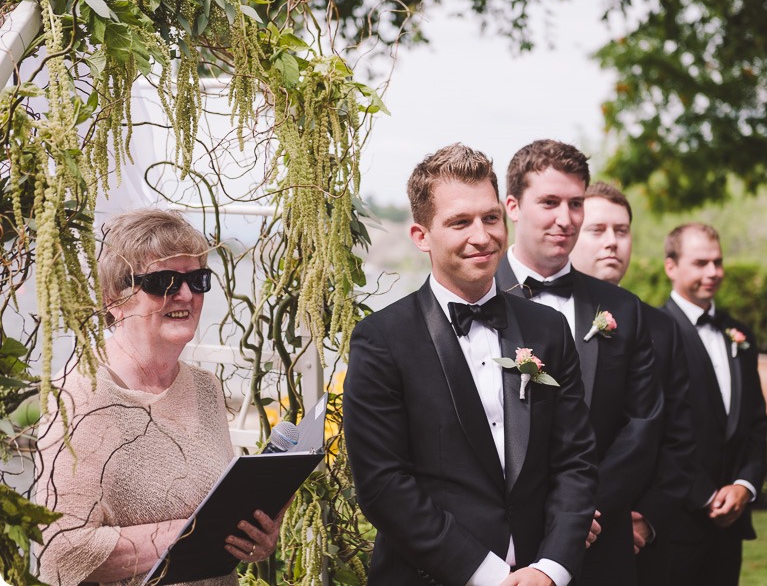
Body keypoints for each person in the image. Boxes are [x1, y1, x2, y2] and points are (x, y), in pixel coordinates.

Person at [343, 143, 597, 586]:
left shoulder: (549, 329)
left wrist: (551, 568)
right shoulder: (381, 340)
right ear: (421, 236)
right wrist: (488, 574)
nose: (482, 236)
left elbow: (574, 459)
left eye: (491, 217)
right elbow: (384, 484)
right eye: (460, 222)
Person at [35, 209, 284, 585]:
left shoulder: (205, 387)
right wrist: (194, 532)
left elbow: (215, 509)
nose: (185, 294)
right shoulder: (77, 397)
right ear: (114, 300)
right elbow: (60, 551)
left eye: (197, 279)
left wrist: (250, 536)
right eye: (163, 281)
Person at [494, 140, 662, 586]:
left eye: (575, 203)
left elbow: (642, 424)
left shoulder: (623, 309)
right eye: (549, 202)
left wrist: (581, 512)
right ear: (513, 205)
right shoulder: (477, 298)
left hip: (600, 539)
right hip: (501, 544)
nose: (565, 219)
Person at [569, 183, 695, 586]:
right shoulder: (525, 315)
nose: (612, 243)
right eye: (598, 229)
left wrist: (646, 518)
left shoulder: (662, 328)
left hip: (629, 539)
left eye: (621, 231)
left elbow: (678, 435)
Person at [659, 223, 767, 586]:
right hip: (675, 522)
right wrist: (704, 495)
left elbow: (755, 420)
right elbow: (653, 429)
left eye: (718, 262)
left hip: (732, 524)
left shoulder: (740, 334)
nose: (713, 272)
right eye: (701, 262)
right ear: (671, 266)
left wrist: (744, 485)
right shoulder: (653, 332)